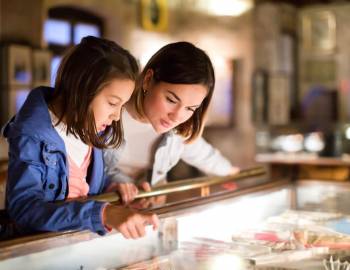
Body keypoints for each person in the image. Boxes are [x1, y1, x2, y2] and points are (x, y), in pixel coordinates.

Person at [2, 36, 159, 239]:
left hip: (74, 247)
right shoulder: (31, 136)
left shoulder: (92, 129)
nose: (117, 116)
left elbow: (80, 184)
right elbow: (25, 209)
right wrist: (103, 214)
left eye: (122, 105)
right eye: (112, 103)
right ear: (81, 89)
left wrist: (114, 187)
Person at [103, 41, 240, 204]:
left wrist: (231, 173)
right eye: (171, 100)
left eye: (190, 108)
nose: (177, 116)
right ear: (148, 80)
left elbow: (204, 155)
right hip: (101, 217)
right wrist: (121, 184)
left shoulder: (179, 132)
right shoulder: (107, 115)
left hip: (146, 220)